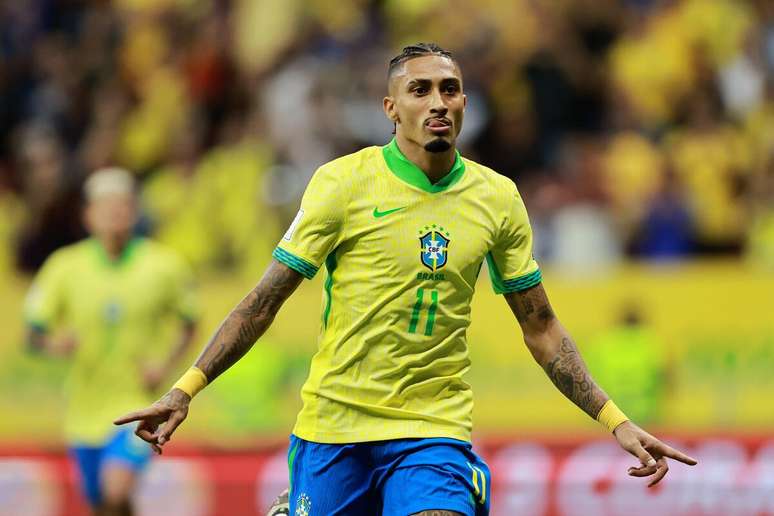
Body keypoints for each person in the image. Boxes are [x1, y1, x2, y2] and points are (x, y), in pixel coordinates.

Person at [115, 44, 697, 516]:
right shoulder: (342, 184)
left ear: (465, 102)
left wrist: (614, 420)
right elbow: (262, 303)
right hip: (334, 423)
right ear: (390, 108)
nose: (437, 102)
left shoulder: (497, 199)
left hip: (432, 427)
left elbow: (541, 328)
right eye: (419, 90)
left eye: (448, 89)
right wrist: (185, 388)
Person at [25, 168, 199, 516]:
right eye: (106, 206)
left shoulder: (163, 265)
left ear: (134, 211)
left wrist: (164, 364)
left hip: (137, 404)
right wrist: (54, 345)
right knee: (103, 505)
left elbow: (189, 323)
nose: (116, 213)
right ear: (88, 215)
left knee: (115, 489)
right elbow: (33, 333)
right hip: (83, 413)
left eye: (123, 205)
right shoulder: (64, 267)